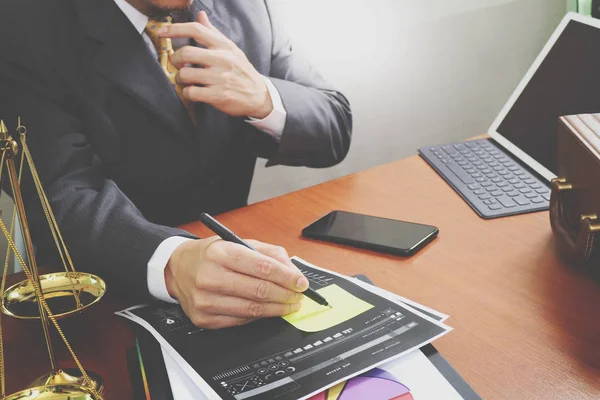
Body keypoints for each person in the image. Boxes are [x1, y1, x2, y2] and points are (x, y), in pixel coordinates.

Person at [0, 0, 352, 329]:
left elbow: (334, 125)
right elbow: (57, 194)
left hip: (242, 281)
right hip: (95, 298)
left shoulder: (246, 8)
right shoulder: (20, 25)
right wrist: (172, 261)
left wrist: (263, 97)